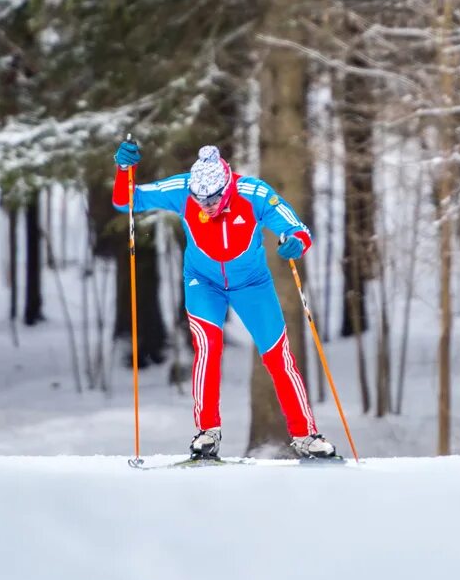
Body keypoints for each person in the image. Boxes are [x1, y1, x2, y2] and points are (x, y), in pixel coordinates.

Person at [114, 141, 338, 460]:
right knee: (208, 347)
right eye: (199, 199)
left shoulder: (254, 194)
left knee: (278, 356)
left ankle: (306, 436)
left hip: (251, 284)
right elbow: (128, 201)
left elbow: (295, 227)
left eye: (214, 198)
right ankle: (208, 432)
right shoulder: (183, 189)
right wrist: (125, 171)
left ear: (227, 186)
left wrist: (295, 242)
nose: (206, 205)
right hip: (203, 282)